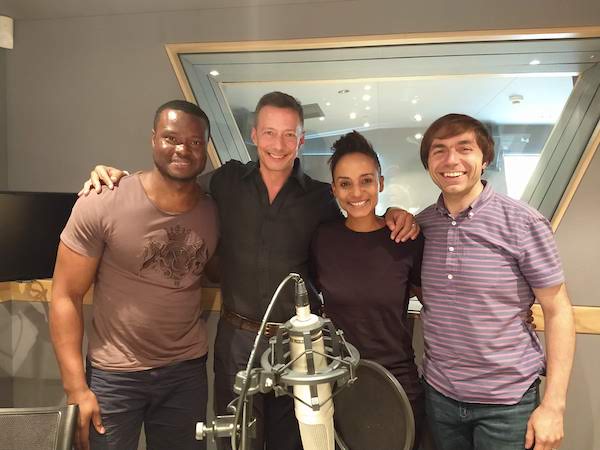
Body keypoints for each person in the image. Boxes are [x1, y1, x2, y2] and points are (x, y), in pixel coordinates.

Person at [79, 91, 419, 450]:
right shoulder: (226, 182)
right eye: (269, 133)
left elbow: (358, 224)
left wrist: (393, 213)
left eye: (289, 134)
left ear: (301, 140)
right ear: (255, 135)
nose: (278, 145)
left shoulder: (320, 199)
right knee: (236, 440)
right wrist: (120, 178)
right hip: (236, 341)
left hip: (296, 346)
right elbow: (174, 184)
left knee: (294, 440)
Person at [50, 100, 219, 450]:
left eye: (195, 142)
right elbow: (65, 294)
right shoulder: (103, 200)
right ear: (153, 138)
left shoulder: (213, 211)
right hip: (114, 376)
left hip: (185, 374)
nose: (183, 149)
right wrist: (75, 388)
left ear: (206, 148)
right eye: (171, 138)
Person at [416, 113, 576, 450]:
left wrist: (554, 405)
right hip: (440, 396)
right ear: (428, 163)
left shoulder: (523, 223)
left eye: (465, 148)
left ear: (485, 158)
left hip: (507, 403)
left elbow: (558, 309)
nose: (451, 160)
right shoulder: (423, 226)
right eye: (439, 150)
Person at [310, 131, 425, 449]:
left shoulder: (405, 239)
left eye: (366, 181)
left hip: (398, 379)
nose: (357, 192)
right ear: (333, 189)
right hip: (340, 381)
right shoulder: (322, 240)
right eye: (345, 183)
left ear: (381, 183)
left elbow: (434, 300)